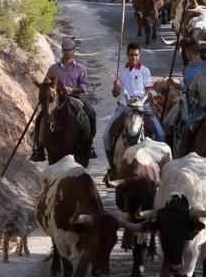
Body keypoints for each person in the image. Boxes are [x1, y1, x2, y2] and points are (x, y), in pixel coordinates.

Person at [30, 37, 97, 161]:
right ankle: (39, 149)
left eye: (70, 50)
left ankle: (88, 145)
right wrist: (48, 85)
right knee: (40, 118)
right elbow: (46, 82)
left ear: (74, 50)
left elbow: (85, 85)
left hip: (73, 97)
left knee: (90, 113)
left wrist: (73, 89)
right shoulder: (53, 68)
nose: (67, 52)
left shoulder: (80, 68)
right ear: (62, 50)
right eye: (65, 50)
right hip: (56, 99)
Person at [103, 43, 165, 176]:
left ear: (139, 55)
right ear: (127, 55)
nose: (134, 58)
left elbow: (148, 91)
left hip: (142, 107)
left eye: (136, 55)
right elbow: (115, 94)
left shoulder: (145, 71)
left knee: (160, 134)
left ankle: (160, 168)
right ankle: (112, 168)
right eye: (131, 55)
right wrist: (116, 86)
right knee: (106, 136)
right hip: (125, 107)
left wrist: (150, 98)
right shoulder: (121, 70)